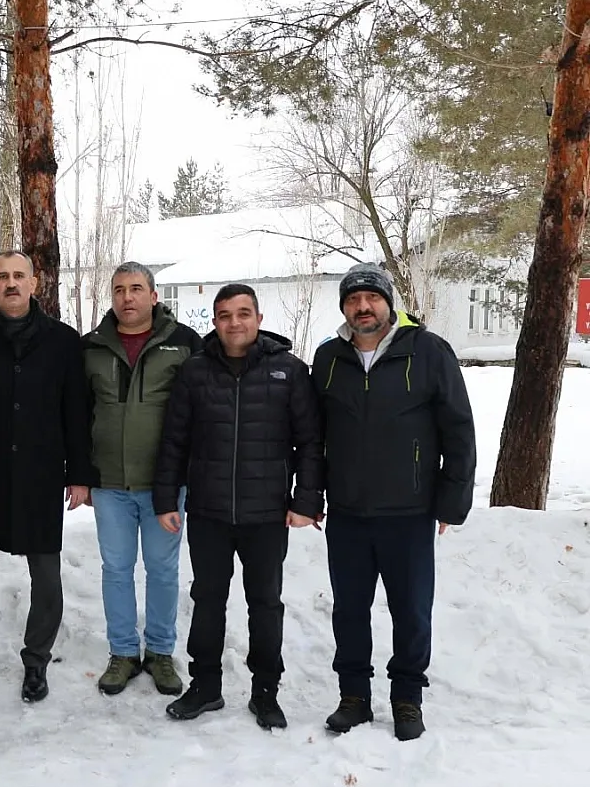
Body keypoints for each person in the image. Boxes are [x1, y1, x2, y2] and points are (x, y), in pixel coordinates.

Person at [312, 263, 476, 741]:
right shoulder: (328, 358)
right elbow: (312, 435)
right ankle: (354, 697)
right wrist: (312, 494)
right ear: (344, 307)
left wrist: (452, 499)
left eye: (372, 299)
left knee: (410, 609)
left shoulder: (426, 351)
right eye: (353, 300)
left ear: (388, 302)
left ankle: (407, 698)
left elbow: (458, 428)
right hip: (347, 512)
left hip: (409, 510)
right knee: (349, 609)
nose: (363, 308)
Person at [153, 283, 323, 729]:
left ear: (259, 319)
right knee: (207, 600)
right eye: (225, 315)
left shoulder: (288, 371)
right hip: (208, 512)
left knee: (265, 603)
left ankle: (266, 691)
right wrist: (165, 498)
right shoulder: (194, 372)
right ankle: (205, 686)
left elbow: (308, 442)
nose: (234, 323)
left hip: (267, 514)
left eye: (243, 313)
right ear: (214, 322)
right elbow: (174, 441)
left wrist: (306, 499)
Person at [0, 250, 96, 704]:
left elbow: (74, 413)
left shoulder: (64, 341)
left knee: (46, 577)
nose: (11, 283)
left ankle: (36, 662)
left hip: (40, 474)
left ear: (35, 283)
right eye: (2, 276)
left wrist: (79, 475)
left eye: (19, 276)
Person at [83, 262, 203, 697]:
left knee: (162, 569)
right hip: (110, 483)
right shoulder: (92, 347)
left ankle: (160, 653)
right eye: (119, 290)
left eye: (136, 289)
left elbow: (201, 412)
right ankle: (122, 653)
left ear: (154, 296)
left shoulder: (185, 344)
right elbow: (78, 415)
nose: (127, 297)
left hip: (165, 487)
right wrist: (80, 473)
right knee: (115, 568)